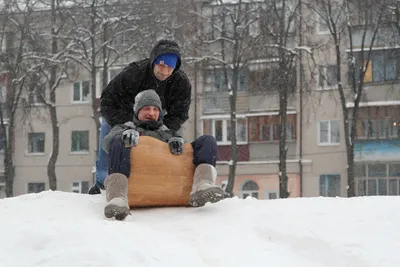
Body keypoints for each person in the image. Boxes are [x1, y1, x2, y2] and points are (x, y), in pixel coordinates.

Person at [101, 90, 224, 220]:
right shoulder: (124, 128)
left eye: (155, 109)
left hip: (169, 181)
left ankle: (202, 184)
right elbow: (107, 144)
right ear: (137, 111)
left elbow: (187, 156)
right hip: (135, 180)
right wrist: (122, 135)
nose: (151, 113)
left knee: (208, 141)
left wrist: (179, 142)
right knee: (118, 141)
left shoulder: (167, 133)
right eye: (146, 109)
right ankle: (117, 197)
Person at [88, 39, 191, 194]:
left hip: (157, 116)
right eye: (161, 65)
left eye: (169, 68)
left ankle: (168, 180)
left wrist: (163, 130)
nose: (164, 72)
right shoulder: (134, 73)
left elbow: (179, 114)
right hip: (124, 113)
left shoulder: (181, 83)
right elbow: (107, 102)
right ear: (153, 61)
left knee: (175, 139)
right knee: (108, 133)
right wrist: (125, 124)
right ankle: (103, 182)